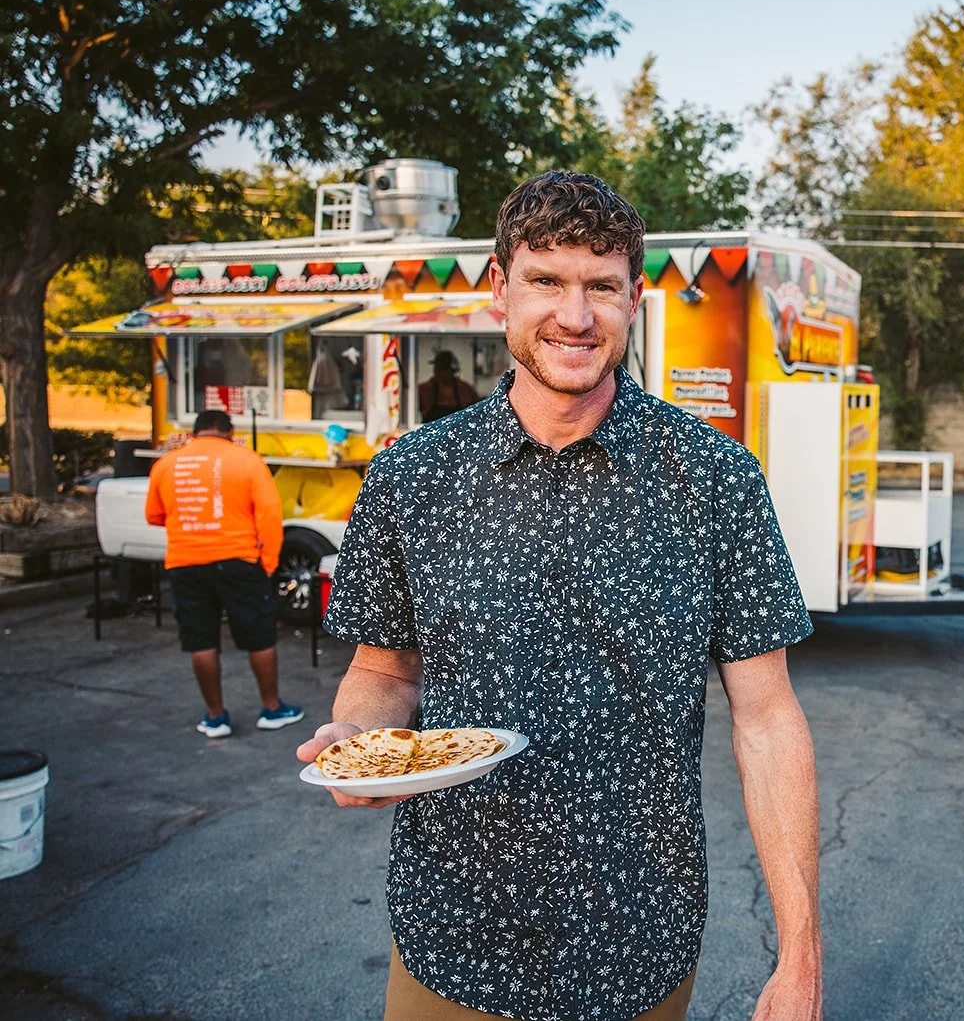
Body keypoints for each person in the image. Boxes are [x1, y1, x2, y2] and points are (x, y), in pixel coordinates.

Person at [296, 171, 822, 1021]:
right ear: (500, 287)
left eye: (601, 287)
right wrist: (361, 737)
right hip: (450, 931)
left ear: (633, 299)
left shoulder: (716, 479)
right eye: (546, 280)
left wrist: (800, 955)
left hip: (639, 938)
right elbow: (383, 668)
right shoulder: (410, 476)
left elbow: (767, 718)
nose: (575, 316)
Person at [144, 409, 303, 737]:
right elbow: (270, 516)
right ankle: (272, 709)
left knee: (200, 639)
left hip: (184, 562)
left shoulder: (167, 464)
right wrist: (269, 564)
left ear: (195, 432)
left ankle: (215, 717)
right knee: (259, 635)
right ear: (230, 432)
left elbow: (154, 515)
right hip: (239, 562)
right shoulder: (248, 461)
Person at [416, 348, 480, 422]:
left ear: (453, 370)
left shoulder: (465, 390)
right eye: (438, 368)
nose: (439, 372)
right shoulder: (425, 390)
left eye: (444, 368)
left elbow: (477, 415)